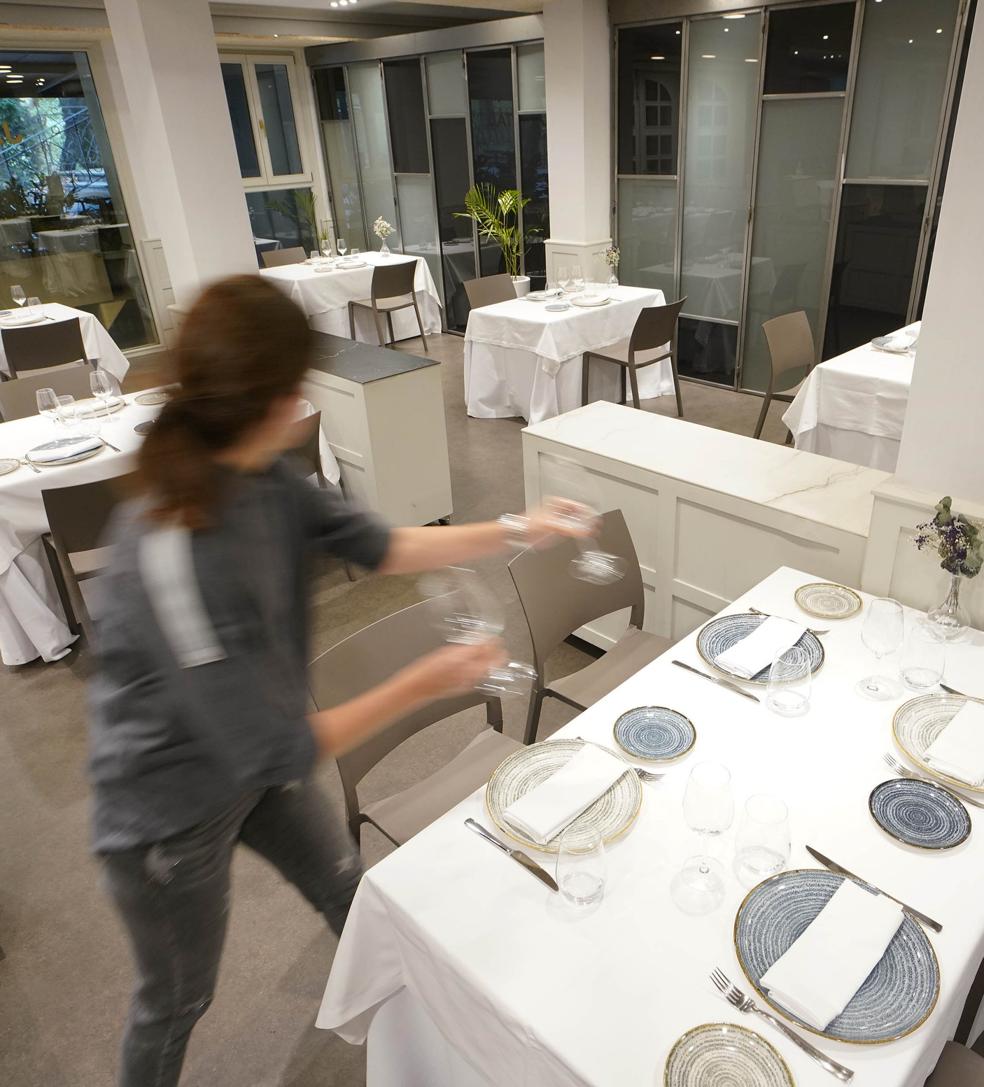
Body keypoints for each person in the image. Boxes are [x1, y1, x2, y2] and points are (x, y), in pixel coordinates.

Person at [89, 275, 585, 1087]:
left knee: (353, 894)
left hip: (254, 765)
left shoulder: (263, 474)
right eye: (297, 384)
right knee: (177, 998)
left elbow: (383, 546)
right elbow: (276, 744)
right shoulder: (173, 552)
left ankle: (428, 1056)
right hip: (166, 812)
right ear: (269, 397)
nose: (305, 399)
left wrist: (516, 528)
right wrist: (429, 676)